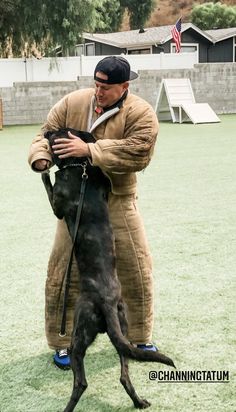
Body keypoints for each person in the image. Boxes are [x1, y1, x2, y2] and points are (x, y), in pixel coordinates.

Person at [28, 56, 159, 369]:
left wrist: (90, 150)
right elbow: (44, 134)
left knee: (134, 267)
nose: (99, 92)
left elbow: (139, 151)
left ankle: (139, 337)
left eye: (107, 87)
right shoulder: (72, 102)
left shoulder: (141, 113)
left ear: (125, 86)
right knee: (64, 270)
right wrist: (41, 158)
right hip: (76, 205)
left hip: (118, 199)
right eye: (96, 84)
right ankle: (63, 342)